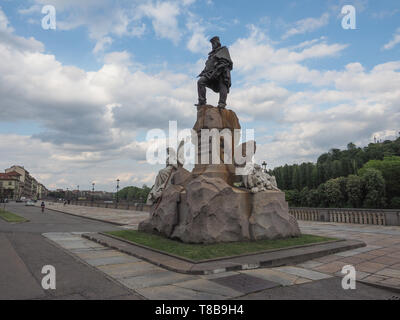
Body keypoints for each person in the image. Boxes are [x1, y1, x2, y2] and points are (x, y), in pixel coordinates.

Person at [196, 36, 233, 109]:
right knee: (200, 81)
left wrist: (220, 67)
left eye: (214, 43)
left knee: (223, 84)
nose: (213, 45)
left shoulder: (224, 49)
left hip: (222, 72)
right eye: (212, 44)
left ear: (218, 43)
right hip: (211, 73)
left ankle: (222, 103)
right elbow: (208, 65)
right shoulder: (211, 55)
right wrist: (203, 72)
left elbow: (227, 62)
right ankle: (202, 101)